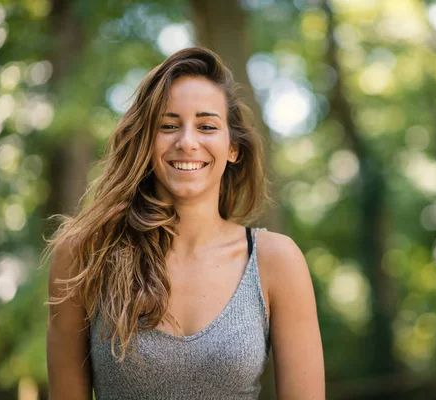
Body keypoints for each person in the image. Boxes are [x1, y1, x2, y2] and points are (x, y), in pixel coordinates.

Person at [44, 47, 325, 399]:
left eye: (206, 126)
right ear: (146, 141)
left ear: (233, 147)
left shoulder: (276, 261)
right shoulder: (84, 255)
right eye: (168, 125)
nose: (187, 142)